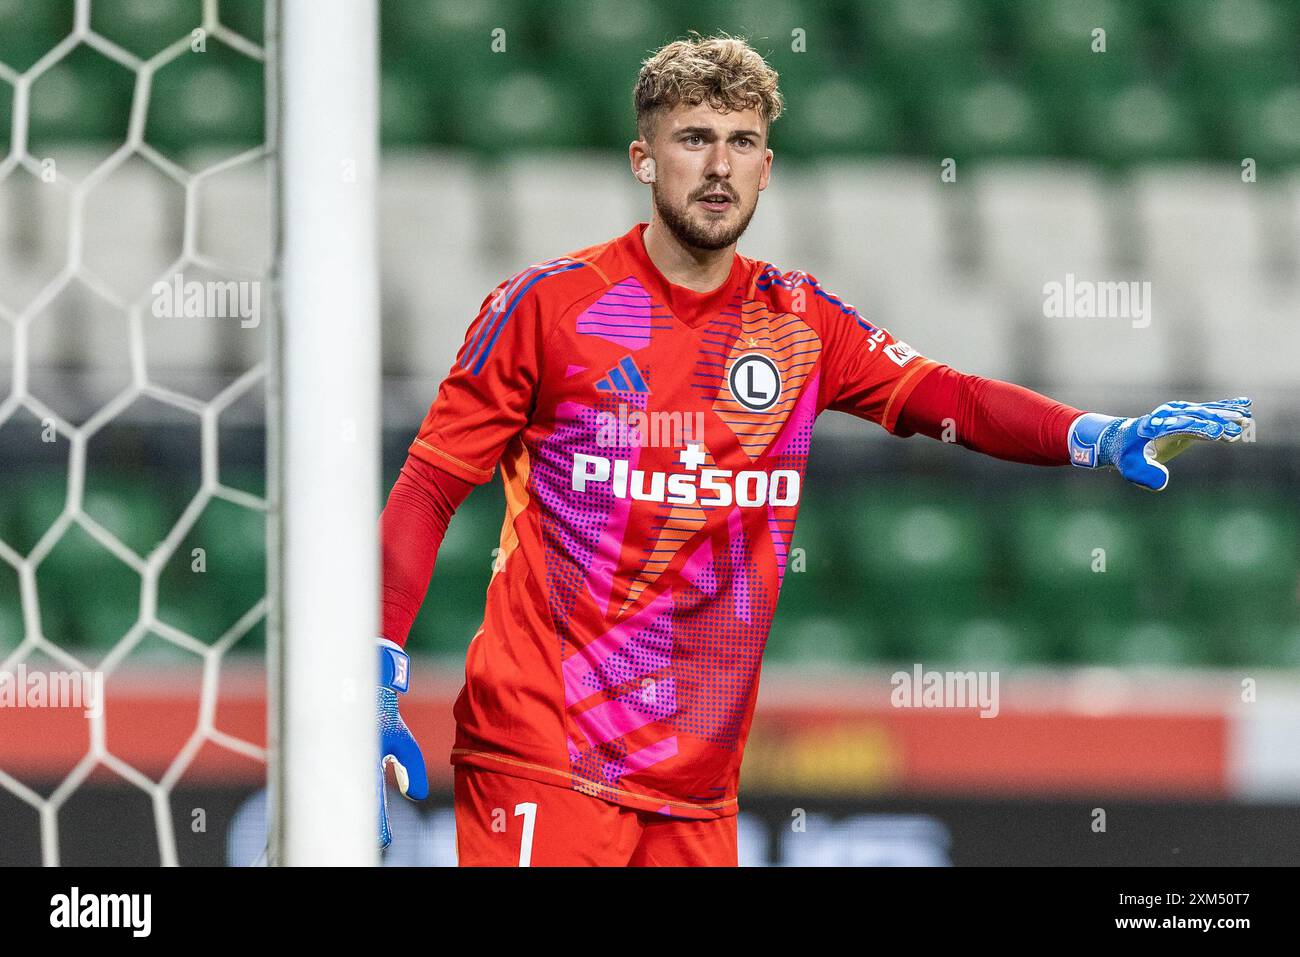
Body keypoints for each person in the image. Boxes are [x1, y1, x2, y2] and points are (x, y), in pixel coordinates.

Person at [375, 33, 1251, 865]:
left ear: (767, 166)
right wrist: (376, 668)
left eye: (742, 141)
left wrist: (1094, 435)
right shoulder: (547, 307)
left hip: (696, 784)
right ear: (644, 159)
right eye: (694, 138)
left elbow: (948, 398)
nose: (719, 166)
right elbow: (426, 490)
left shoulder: (798, 324)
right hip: (542, 751)